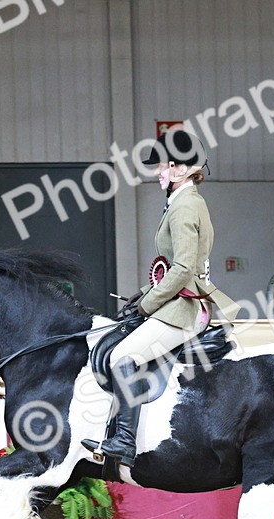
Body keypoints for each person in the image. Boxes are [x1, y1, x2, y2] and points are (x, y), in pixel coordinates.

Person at [82, 129, 237, 468]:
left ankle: (123, 442)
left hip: (185, 309)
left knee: (123, 357)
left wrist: (146, 305)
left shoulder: (185, 207)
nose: (158, 173)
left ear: (180, 169)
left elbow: (182, 269)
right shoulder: (184, 202)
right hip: (179, 302)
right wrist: (145, 292)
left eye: (163, 167)